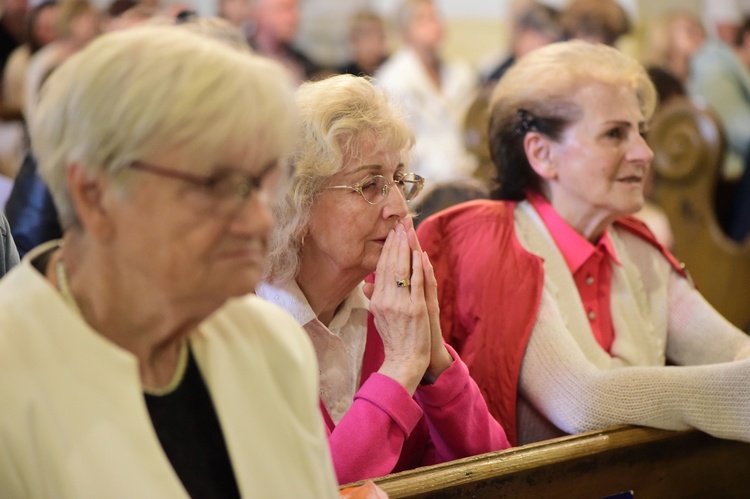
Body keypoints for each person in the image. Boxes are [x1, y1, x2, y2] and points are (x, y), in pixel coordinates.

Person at [0, 25, 340, 497]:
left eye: (264, 182)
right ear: (94, 194)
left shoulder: (271, 344)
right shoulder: (11, 372)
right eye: (217, 184)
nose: (259, 218)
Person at [417, 40, 750, 447]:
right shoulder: (493, 243)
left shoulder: (634, 248)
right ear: (542, 154)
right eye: (615, 134)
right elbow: (582, 400)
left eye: (641, 133)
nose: (645, 153)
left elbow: (731, 350)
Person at [257, 73, 509, 485]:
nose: (399, 208)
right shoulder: (247, 328)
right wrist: (401, 367)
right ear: (297, 203)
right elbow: (314, 490)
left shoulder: (387, 313)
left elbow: (495, 471)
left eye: (399, 181)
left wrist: (433, 360)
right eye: (370, 185)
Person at [375, 0, 478, 183]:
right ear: (404, 31)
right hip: (420, 183)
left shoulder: (461, 73)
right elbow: (399, 145)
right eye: (422, 19)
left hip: (465, 175)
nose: (434, 23)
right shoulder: (392, 80)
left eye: (436, 16)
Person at [338, 9, 389, 77]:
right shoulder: (343, 77)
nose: (376, 43)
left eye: (380, 36)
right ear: (354, 40)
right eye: (370, 37)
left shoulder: (392, 68)